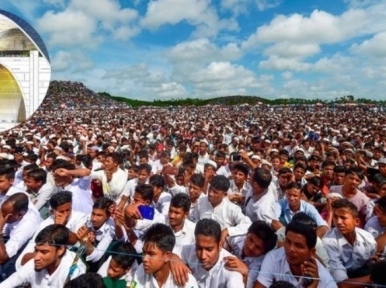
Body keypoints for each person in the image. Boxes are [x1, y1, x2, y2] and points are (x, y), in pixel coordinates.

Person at [16, 191, 88, 270]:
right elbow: (24, 258)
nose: (66, 214)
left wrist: (60, 227)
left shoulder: (80, 217)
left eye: (68, 210)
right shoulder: (45, 224)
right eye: (61, 212)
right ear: (52, 211)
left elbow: (78, 243)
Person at [0, 224, 86, 288]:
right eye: (36, 250)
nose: (36, 257)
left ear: (60, 250)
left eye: (44, 252)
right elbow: (11, 282)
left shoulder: (74, 272)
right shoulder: (37, 262)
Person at [254, 221, 336, 288]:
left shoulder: (326, 281)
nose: (291, 249)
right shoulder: (274, 258)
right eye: (288, 242)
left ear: (312, 252)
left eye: (299, 246)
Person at [175, 218, 245, 287]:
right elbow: (168, 252)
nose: (203, 256)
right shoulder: (190, 250)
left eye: (209, 249)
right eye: (199, 248)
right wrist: (174, 259)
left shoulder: (231, 265)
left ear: (220, 246)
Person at [322, 198, 376, 286]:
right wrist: (375, 277)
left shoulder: (368, 238)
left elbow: (371, 259)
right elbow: (342, 285)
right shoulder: (329, 242)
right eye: (335, 217)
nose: (338, 222)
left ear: (356, 221)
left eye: (343, 218)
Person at [130, 223, 198, 288]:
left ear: (167, 256)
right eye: (144, 252)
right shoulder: (141, 270)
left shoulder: (185, 280)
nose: (144, 259)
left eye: (151, 254)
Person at [188, 175, 252, 244]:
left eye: (215, 192)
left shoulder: (232, 209)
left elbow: (248, 224)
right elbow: (192, 220)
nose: (210, 194)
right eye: (210, 189)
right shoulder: (201, 202)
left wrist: (227, 231)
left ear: (224, 194)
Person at [0, 192, 42, 280]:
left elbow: (2, 258)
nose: (1, 217)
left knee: (6, 267)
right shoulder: (11, 211)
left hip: (23, 250)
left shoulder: (27, 225)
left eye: (4, 216)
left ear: (20, 215)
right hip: (10, 238)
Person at [225, 220, 278, 288]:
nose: (251, 247)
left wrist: (245, 272)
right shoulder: (237, 239)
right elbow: (223, 241)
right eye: (251, 240)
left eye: (258, 247)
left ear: (264, 252)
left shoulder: (261, 265)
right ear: (247, 233)